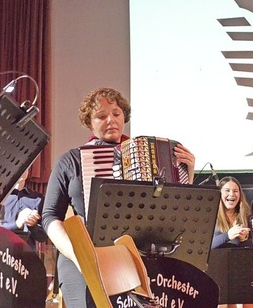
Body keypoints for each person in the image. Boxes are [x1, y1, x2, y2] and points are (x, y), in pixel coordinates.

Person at [41, 87, 196, 307]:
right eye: (101, 116)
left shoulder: (145, 156)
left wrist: (187, 171)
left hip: (131, 258)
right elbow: (49, 216)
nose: (110, 120)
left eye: (116, 113)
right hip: (82, 258)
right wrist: (78, 256)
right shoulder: (71, 160)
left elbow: (170, 211)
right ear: (89, 122)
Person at [0, 170, 47, 250]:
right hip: (1, 254)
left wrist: (33, 225)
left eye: (26, 168)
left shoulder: (38, 199)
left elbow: (43, 237)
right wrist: (17, 224)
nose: (22, 171)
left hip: (27, 257)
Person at [211, 176, 252, 249]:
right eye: (227, 190)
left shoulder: (246, 216)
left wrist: (243, 239)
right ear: (219, 193)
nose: (232, 194)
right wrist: (228, 236)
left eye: (235, 191)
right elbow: (204, 246)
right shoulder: (210, 216)